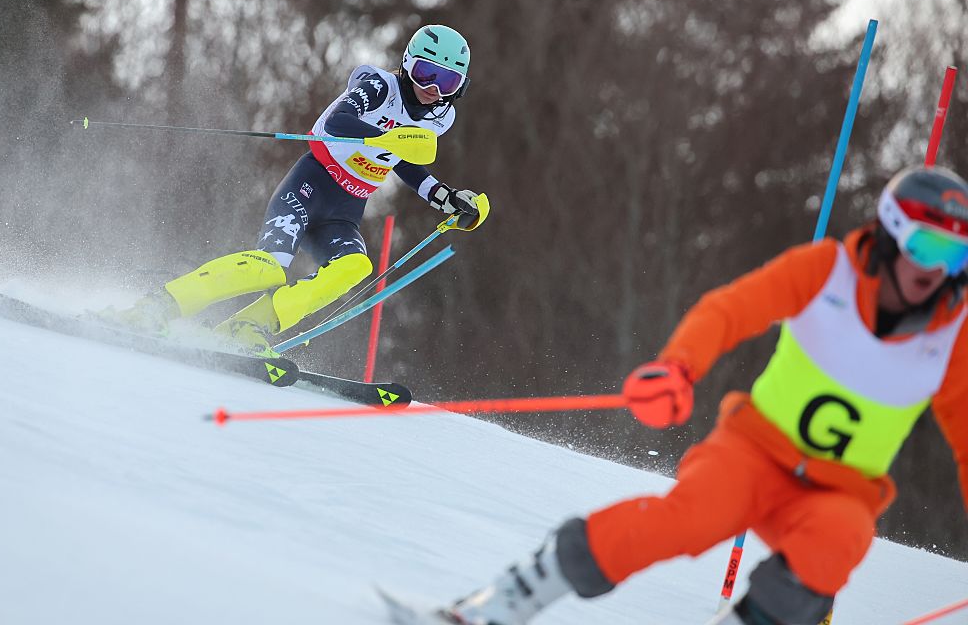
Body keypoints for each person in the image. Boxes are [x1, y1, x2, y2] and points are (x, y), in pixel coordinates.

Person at [415, 166, 968, 625]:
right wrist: (677, 369)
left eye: (956, 257)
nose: (937, 271)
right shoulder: (828, 271)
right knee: (687, 520)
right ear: (891, 233)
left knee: (840, 539)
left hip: (838, 491)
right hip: (753, 452)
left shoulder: (954, 335)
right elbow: (728, 311)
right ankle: (504, 603)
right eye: (926, 247)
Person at [103, 24, 487, 356]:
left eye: (448, 81)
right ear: (406, 65)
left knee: (355, 267)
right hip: (310, 185)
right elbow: (339, 120)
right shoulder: (378, 86)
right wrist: (389, 138)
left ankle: (251, 326)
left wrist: (445, 197)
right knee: (268, 267)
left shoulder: (441, 117)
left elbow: (401, 161)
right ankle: (159, 306)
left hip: (346, 209)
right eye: (425, 74)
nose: (434, 89)